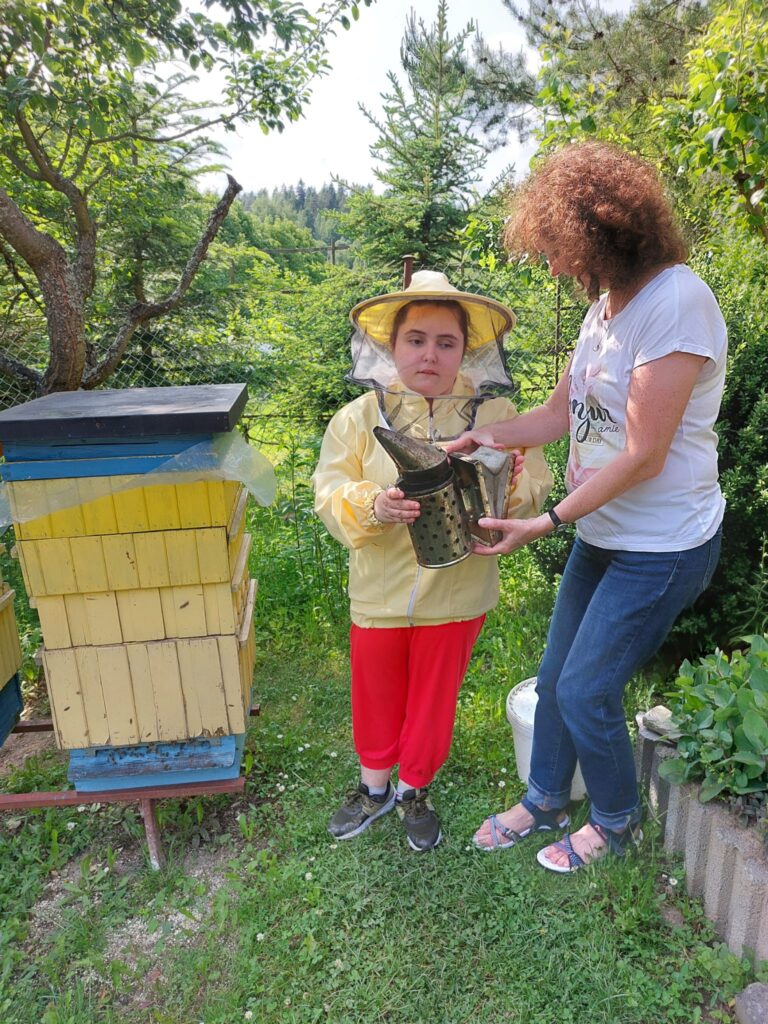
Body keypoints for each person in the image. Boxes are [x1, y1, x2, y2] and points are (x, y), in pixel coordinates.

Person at [445, 141, 726, 872]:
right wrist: (490, 434)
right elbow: (558, 411)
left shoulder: (676, 303)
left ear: (600, 233)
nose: (556, 267)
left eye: (559, 250)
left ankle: (615, 820)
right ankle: (544, 798)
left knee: (587, 686)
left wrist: (546, 520)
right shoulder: (603, 312)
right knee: (556, 670)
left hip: (663, 545)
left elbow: (643, 454)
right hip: (604, 531)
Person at [312, 271, 553, 851]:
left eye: (446, 342)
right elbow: (328, 490)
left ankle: (413, 789)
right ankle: (373, 788)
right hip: (380, 589)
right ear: (391, 347)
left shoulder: (496, 413)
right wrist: (375, 503)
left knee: (433, 696)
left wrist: (511, 488)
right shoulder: (356, 416)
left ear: (466, 349)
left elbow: (535, 482)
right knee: (375, 690)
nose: (430, 354)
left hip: (459, 590)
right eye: (415, 339)